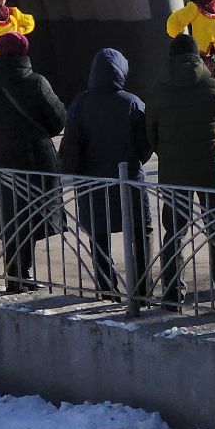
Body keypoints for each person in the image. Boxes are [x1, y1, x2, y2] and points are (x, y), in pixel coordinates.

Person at [145, 32, 215, 307]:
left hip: (174, 173)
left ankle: (173, 293)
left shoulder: (158, 92)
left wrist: (170, 155)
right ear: (197, 57)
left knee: (174, 232)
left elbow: (151, 135)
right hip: (211, 170)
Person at [0, 31, 67, 294]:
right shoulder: (36, 82)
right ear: (24, 52)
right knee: (33, 215)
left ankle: (16, 273)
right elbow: (59, 119)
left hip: (1, 159)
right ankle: (21, 273)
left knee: (11, 214)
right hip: (35, 159)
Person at [60, 48, 150, 300]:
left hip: (92, 184)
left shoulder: (80, 102)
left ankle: (108, 289)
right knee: (140, 233)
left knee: (98, 237)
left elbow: (71, 146)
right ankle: (142, 289)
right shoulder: (132, 102)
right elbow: (145, 148)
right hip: (129, 181)